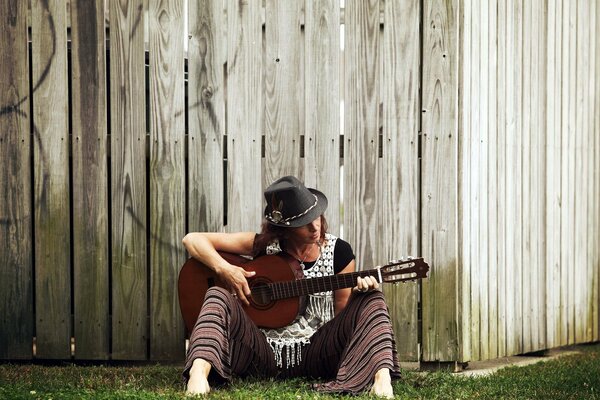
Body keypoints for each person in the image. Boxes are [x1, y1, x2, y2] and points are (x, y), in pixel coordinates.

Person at [181, 175, 400, 398]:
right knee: (217, 293)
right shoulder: (262, 245)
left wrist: (359, 295)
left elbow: (342, 317)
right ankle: (198, 374)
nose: (315, 227)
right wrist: (225, 270)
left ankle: (382, 378)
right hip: (262, 351)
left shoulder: (339, 252)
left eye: (317, 217)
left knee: (373, 298)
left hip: (317, 352)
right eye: (304, 223)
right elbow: (192, 240)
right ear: (284, 228)